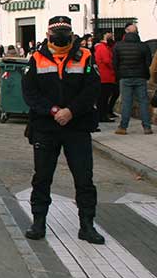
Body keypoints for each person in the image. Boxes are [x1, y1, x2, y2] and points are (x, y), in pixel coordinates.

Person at [22, 16, 104, 245]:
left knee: (84, 178)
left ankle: (87, 225)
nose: (59, 37)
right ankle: (38, 222)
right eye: (56, 32)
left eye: (64, 32)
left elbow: (92, 89)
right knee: (42, 177)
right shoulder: (36, 59)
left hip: (77, 126)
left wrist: (71, 111)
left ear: (71, 34)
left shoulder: (85, 56)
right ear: (48, 35)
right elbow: (29, 93)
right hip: (46, 127)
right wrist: (53, 110)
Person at [113, 24, 153, 135]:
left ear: (126, 32)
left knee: (126, 102)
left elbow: (115, 63)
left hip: (125, 77)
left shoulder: (118, 46)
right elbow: (148, 62)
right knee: (143, 102)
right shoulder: (143, 46)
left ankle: (123, 127)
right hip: (140, 77)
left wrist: (119, 74)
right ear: (137, 32)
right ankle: (147, 127)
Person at [95, 33, 117, 123]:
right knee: (104, 98)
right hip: (106, 75)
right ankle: (102, 116)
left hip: (105, 75)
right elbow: (107, 60)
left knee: (103, 98)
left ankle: (102, 115)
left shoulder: (102, 47)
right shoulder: (103, 47)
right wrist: (114, 66)